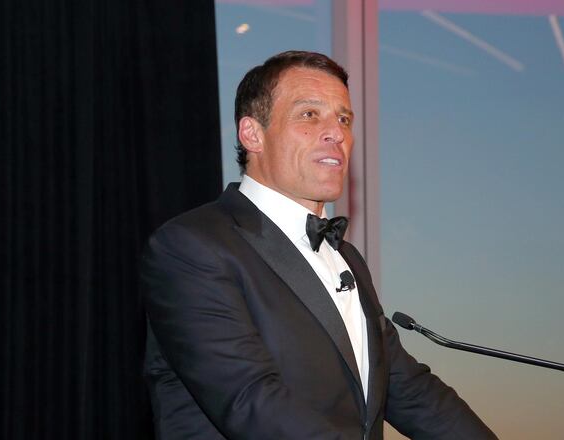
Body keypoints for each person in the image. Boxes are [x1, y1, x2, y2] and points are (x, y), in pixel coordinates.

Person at [141, 50, 497, 440]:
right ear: (252, 134)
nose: (337, 133)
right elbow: (251, 402)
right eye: (310, 115)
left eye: (344, 118)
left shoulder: (346, 258)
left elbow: (409, 389)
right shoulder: (194, 246)